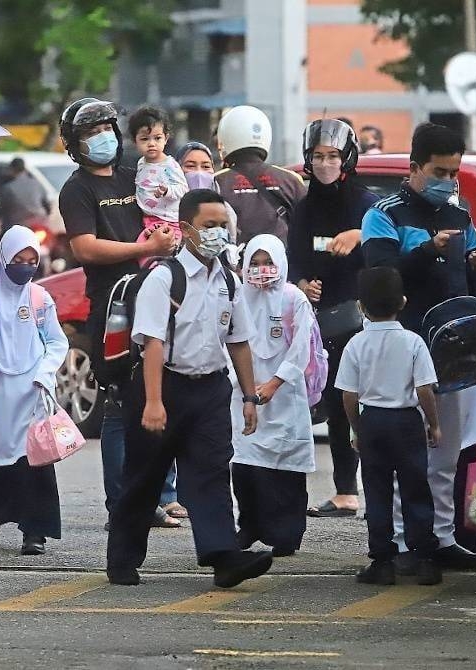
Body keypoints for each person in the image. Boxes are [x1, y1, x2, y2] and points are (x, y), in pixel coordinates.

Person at [106, 188, 273, 588]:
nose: (218, 233)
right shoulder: (164, 278)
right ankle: (123, 560)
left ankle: (222, 556)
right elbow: (152, 343)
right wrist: (153, 402)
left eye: (223, 226)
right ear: (186, 229)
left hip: (210, 390)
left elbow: (238, 341)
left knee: (211, 474)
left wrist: (249, 397)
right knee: (145, 477)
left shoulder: (229, 282)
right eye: (208, 226)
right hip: (164, 386)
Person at [361, 123, 476, 571]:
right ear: (415, 167)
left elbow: (470, 282)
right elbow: (380, 275)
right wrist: (428, 252)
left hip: (453, 351)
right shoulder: (384, 214)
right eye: (440, 171)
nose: (449, 182)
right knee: (405, 454)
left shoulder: (460, 216)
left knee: (446, 452)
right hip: (403, 347)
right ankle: (398, 543)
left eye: (454, 172)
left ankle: (440, 538)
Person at [57, 97, 181, 529]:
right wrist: (145, 248)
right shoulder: (77, 189)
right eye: (90, 134)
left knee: (157, 399)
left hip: (157, 298)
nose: (101, 139)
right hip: (114, 306)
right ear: (75, 144)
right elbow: (85, 247)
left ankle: (152, 499)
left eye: (106, 129)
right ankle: (122, 506)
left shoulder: (136, 176)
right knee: (118, 405)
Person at [287, 118, 378, 518]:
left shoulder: (365, 203)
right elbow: (293, 261)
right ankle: (345, 491)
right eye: (318, 156)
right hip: (320, 322)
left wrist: (359, 234)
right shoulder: (304, 208)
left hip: (361, 318)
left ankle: (375, 487)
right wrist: (303, 283)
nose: (325, 164)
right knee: (335, 406)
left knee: (366, 406)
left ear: (348, 158)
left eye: (333, 156)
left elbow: (385, 245)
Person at [0, 225, 69, 556]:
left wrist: (45, 373)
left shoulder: (40, 298)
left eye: (31, 260)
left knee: (35, 459)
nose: (25, 266)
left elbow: (56, 341)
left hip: (32, 390)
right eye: (18, 259)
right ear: (4, 258)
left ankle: (34, 531)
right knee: (1, 457)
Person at [335, 267, 442, 586]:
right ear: (403, 302)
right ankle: (424, 559)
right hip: (407, 422)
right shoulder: (413, 342)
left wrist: (356, 428)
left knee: (378, 492)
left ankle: (382, 562)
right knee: (416, 489)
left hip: (374, 422)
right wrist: (433, 424)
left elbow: (349, 394)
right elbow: (424, 388)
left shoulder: (356, 344)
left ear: (361, 307)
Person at [232, 234, 316, 558]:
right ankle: (250, 525)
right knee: (245, 464)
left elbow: (300, 349)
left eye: (268, 262)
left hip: (283, 395)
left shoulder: (294, 299)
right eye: (255, 263)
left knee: (285, 468)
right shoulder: (238, 297)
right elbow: (228, 342)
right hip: (244, 395)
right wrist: (245, 387)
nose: (262, 269)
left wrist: (274, 384)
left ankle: (287, 534)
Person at [213, 105, 307, 246]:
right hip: (282, 263)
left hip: (235, 264)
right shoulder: (291, 180)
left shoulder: (217, 181)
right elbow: (308, 227)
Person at [129, 106, 188, 249]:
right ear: (134, 141)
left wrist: (167, 191)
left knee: (156, 253)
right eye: (144, 139)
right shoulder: (141, 163)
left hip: (168, 222)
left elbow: (183, 190)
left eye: (157, 138)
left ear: (166, 138)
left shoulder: (170, 165)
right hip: (147, 219)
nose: (151, 144)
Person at [0, 157, 51, 233]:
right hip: (40, 223)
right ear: (24, 169)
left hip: (16, 226)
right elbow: (47, 205)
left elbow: (2, 207)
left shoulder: (8, 188)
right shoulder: (37, 184)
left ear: (12, 170)